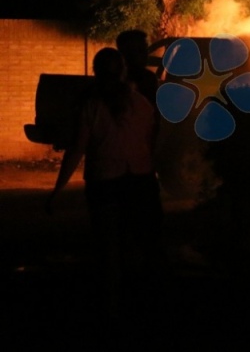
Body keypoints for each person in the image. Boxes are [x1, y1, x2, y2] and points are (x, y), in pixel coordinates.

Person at [46, 47, 164, 320]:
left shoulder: (92, 107)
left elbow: (77, 150)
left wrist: (57, 191)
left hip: (106, 185)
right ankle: (149, 306)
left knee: (109, 248)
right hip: (140, 182)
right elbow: (150, 143)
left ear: (96, 73)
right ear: (123, 72)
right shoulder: (142, 104)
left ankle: (112, 308)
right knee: (145, 245)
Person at [115, 29, 159, 107]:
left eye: (146, 50)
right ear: (128, 52)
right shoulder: (147, 79)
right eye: (141, 50)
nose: (146, 54)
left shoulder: (112, 77)